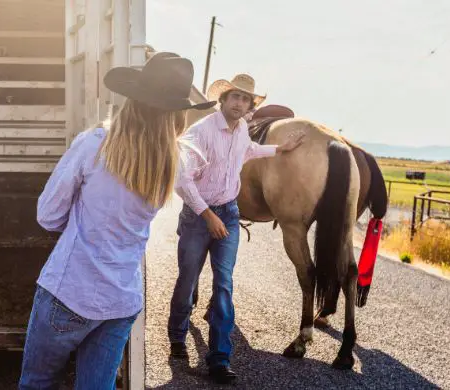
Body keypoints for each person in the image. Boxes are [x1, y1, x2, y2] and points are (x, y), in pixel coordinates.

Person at [19, 52, 216, 390]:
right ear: (177, 114)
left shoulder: (94, 145)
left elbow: (47, 216)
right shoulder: (175, 162)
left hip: (69, 291)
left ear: (133, 101)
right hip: (120, 299)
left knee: (37, 383)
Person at [167, 74, 305, 384]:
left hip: (228, 214)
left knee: (224, 283)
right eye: (235, 97)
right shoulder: (200, 132)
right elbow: (182, 180)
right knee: (188, 279)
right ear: (223, 100)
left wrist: (281, 149)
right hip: (197, 216)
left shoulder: (242, 129)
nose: (240, 103)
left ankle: (219, 357)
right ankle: (177, 337)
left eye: (246, 99)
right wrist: (207, 216)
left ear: (250, 105)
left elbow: (249, 151)